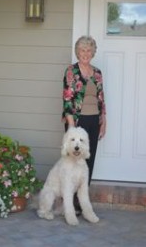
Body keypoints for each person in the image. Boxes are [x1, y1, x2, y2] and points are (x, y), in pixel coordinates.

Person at [62, 35, 106, 214]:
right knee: (73, 161)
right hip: (77, 121)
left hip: (94, 120)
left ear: (93, 52)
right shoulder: (71, 71)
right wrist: (72, 127)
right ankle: (70, 200)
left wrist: (104, 121)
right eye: (82, 50)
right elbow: (67, 100)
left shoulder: (97, 73)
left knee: (89, 160)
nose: (85, 53)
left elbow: (102, 98)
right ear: (77, 52)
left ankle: (82, 200)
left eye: (89, 50)